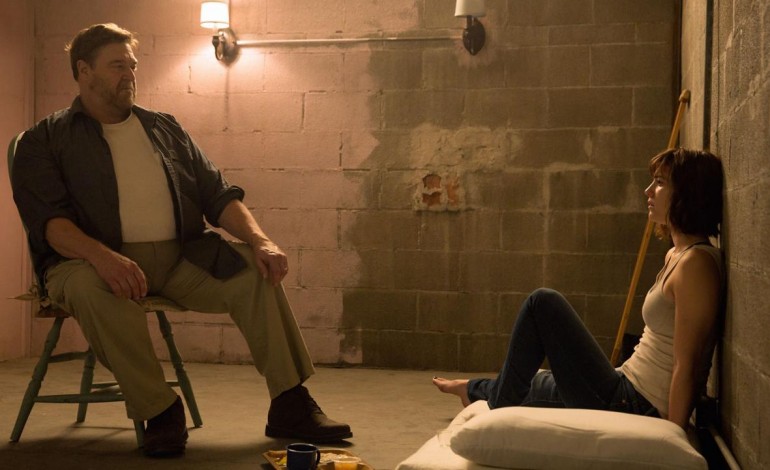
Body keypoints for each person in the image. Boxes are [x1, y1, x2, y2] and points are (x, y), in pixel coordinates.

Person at [11, 23, 351, 457]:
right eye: (117, 66)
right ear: (83, 71)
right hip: (86, 263)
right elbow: (50, 224)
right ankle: (160, 409)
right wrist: (104, 258)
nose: (129, 74)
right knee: (88, 288)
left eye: (132, 65)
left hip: (179, 260)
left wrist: (261, 240)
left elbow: (218, 194)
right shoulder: (44, 140)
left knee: (256, 270)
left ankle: (290, 402)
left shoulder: (164, 128)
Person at [433, 148, 724, 430]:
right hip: (623, 383)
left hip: (633, 403)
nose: (648, 191)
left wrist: (673, 435)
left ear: (686, 194)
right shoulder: (676, 254)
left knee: (542, 303)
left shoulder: (696, 265)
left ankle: (494, 415)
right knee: (535, 381)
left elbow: (687, 364)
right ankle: (472, 390)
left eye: (659, 183)